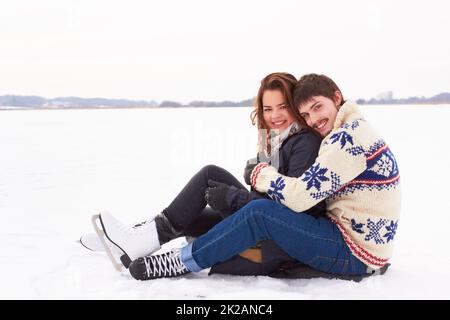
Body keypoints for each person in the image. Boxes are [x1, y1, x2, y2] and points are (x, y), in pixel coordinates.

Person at [113, 73, 401, 281]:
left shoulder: (341, 141)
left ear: (336, 98)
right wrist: (256, 175)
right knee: (224, 187)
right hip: (338, 236)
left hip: (353, 251)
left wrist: (260, 176)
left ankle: (181, 261)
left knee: (258, 214)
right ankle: (149, 233)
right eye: (307, 113)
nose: (313, 119)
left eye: (317, 108)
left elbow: (300, 200)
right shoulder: (344, 131)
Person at [84, 72, 326, 276]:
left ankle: (140, 240)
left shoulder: (304, 142)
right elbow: (263, 190)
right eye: (268, 109)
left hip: (275, 238)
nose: (275, 116)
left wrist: (233, 197)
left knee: (210, 176)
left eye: (283, 107)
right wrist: (254, 169)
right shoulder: (274, 138)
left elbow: (288, 209)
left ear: (294, 106)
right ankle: (135, 238)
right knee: (189, 214)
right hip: (260, 224)